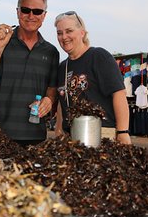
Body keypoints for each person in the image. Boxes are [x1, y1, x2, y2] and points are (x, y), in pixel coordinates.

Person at [0, 0, 59, 146]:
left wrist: (49, 100)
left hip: (36, 138)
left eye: (37, 11)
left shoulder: (51, 52)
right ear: (18, 12)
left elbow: (52, 90)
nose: (31, 16)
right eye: (26, 10)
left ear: (44, 15)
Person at [53, 11, 131, 144]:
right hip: (72, 137)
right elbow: (63, 100)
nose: (64, 37)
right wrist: (58, 129)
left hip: (102, 135)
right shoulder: (62, 67)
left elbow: (118, 93)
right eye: (59, 33)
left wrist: (123, 132)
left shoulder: (98, 56)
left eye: (69, 31)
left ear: (82, 33)